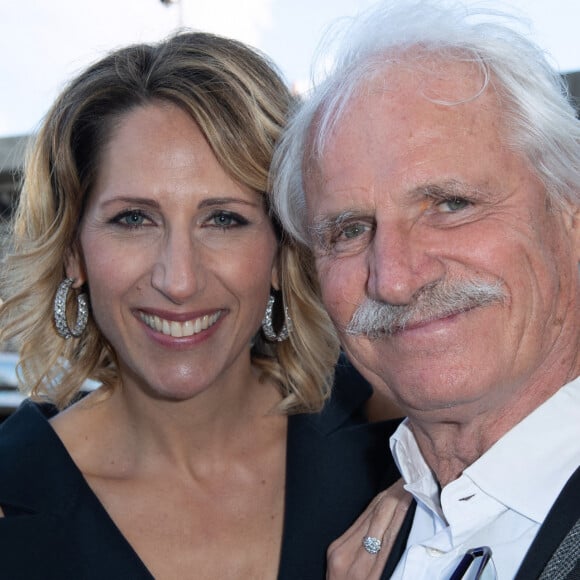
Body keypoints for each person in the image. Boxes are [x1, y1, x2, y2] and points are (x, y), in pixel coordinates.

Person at [0, 31, 402, 579]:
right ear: (73, 252)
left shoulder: (405, 457)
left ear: (283, 250)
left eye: (224, 219)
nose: (180, 281)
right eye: (133, 219)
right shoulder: (12, 496)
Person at [271, 0, 580, 578]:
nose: (393, 277)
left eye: (450, 204)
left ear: (571, 216)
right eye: (350, 229)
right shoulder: (353, 534)